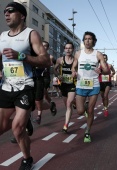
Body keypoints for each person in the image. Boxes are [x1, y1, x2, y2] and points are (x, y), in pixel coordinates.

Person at [0, 2, 50, 170]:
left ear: (22, 15)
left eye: (11, 11)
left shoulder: (31, 34)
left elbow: (45, 61)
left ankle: (27, 159)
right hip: (6, 87)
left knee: (17, 129)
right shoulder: (2, 36)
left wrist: (21, 56)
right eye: (5, 11)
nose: (6, 14)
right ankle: (25, 116)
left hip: (25, 86)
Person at [71, 31, 109, 143]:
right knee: (80, 111)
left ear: (94, 41)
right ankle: (85, 108)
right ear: (83, 41)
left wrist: (101, 70)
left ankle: (87, 131)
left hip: (94, 85)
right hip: (81, 84)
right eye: (85, 39)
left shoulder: (98, 54)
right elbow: (73, 67)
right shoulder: (78, 53)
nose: (87, 41)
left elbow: (106, 70)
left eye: (90, 39)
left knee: (91, 110)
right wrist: (73, 71)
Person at [33, 41, 57, 125]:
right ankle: (51, 104)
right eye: (42, 45)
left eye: (45, 46)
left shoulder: (50, 57)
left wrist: (56, 73)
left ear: (48, 48)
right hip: (36, 77)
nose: (43, 47)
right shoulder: (35, 55)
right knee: (46, 96)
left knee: (40, 97)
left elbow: (56, 65)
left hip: (45, 78)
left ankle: (39, 116)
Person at [54, 42, 76, 133]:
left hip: (72, 84)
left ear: (73, 49)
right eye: (66, 48)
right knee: (67, 106)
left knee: (68, 103)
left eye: (70, 48)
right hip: (63, 85)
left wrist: (76, 74)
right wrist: (58, 75)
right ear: (64, 49)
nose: (68, 50)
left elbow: (80, 72)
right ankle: (75, 103)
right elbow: (54, 69)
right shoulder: (60, 60)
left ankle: (65, 125)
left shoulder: (75, 60)